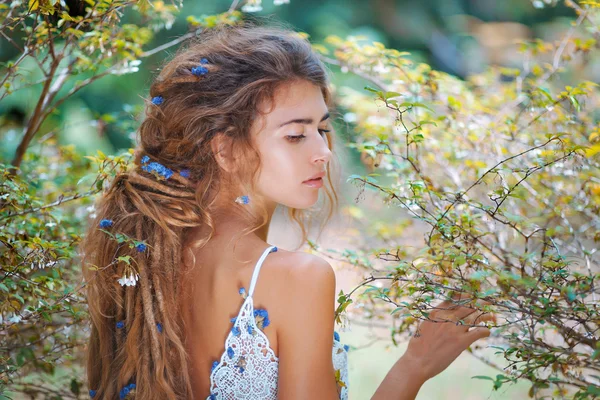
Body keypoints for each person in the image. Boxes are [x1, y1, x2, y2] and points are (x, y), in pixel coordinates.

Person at [80, 21, 494, 400]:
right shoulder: (297, 278)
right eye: (296, 135)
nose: (323, 153)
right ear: (225, 150)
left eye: (323, 129)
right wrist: (414, 366)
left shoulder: (143, 259)